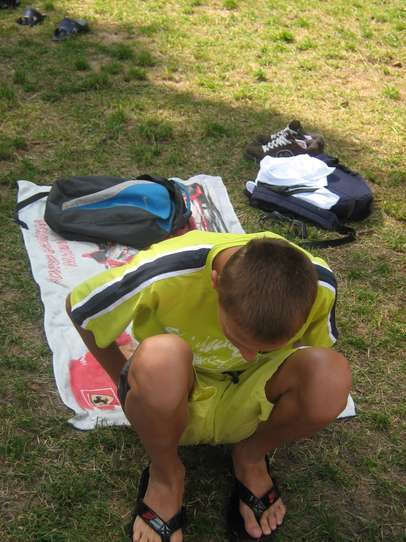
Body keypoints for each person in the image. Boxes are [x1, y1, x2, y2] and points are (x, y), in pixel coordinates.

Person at [66, 230, 351, 542]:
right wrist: (125, 379)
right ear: (214, 283)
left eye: (265, 348)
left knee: (331, 376)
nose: (248, 355)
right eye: (239, 339)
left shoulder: (319, 284)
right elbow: (79, 307)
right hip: (175, 393)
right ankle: (166, 475)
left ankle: (251, 456)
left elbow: (314, 356)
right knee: (160, 359)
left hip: (252, 393)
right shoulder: (165, 270)